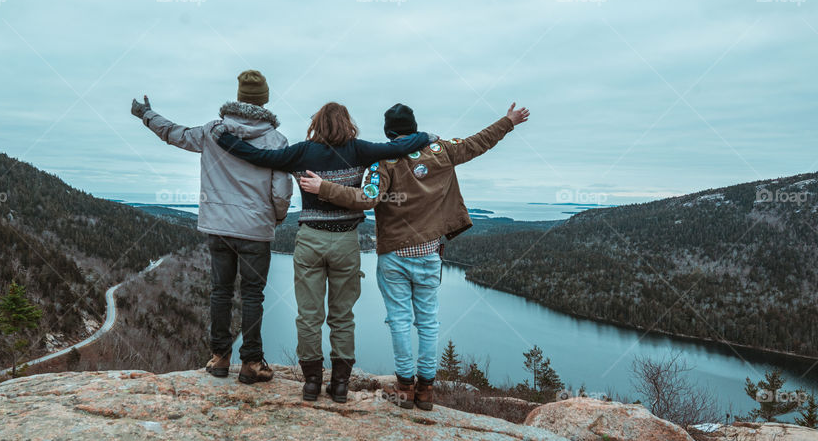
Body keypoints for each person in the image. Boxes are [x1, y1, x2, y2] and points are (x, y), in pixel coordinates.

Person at [299, 102, 530, 410]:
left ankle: (405, 387)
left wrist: (323, 188)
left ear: (388, 131)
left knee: (399, 320)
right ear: (414, 126)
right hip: (429, 254)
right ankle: (426, 390)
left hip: (394, 255)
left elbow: (365, 199)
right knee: (429, 322)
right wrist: (508, 121)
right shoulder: (442, 151)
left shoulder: (382, 161)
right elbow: (479, 142)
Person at [215, 102, 434, 403]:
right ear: (348, 123)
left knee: (308, 316)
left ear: (316, 124)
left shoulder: (302, 152)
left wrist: (225, 139)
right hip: (346, 242)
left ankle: (311, 384)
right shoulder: (360, 150)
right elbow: (398, 147)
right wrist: (425, 137)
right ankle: (340, 385)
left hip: (310, 242)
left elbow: (259, 156)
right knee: (342, 316)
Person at [130, 70, 292, 385]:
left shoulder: (212, 131)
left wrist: (146, 115)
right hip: (256, 231)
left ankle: (219, 358)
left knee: (220, 292)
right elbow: (281, 190)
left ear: (239, 97)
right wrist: (277, 217)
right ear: (264, 100)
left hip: (218, 228)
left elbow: (174, 133)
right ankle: (252, 363)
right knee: (253, 294)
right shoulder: (276, 140)